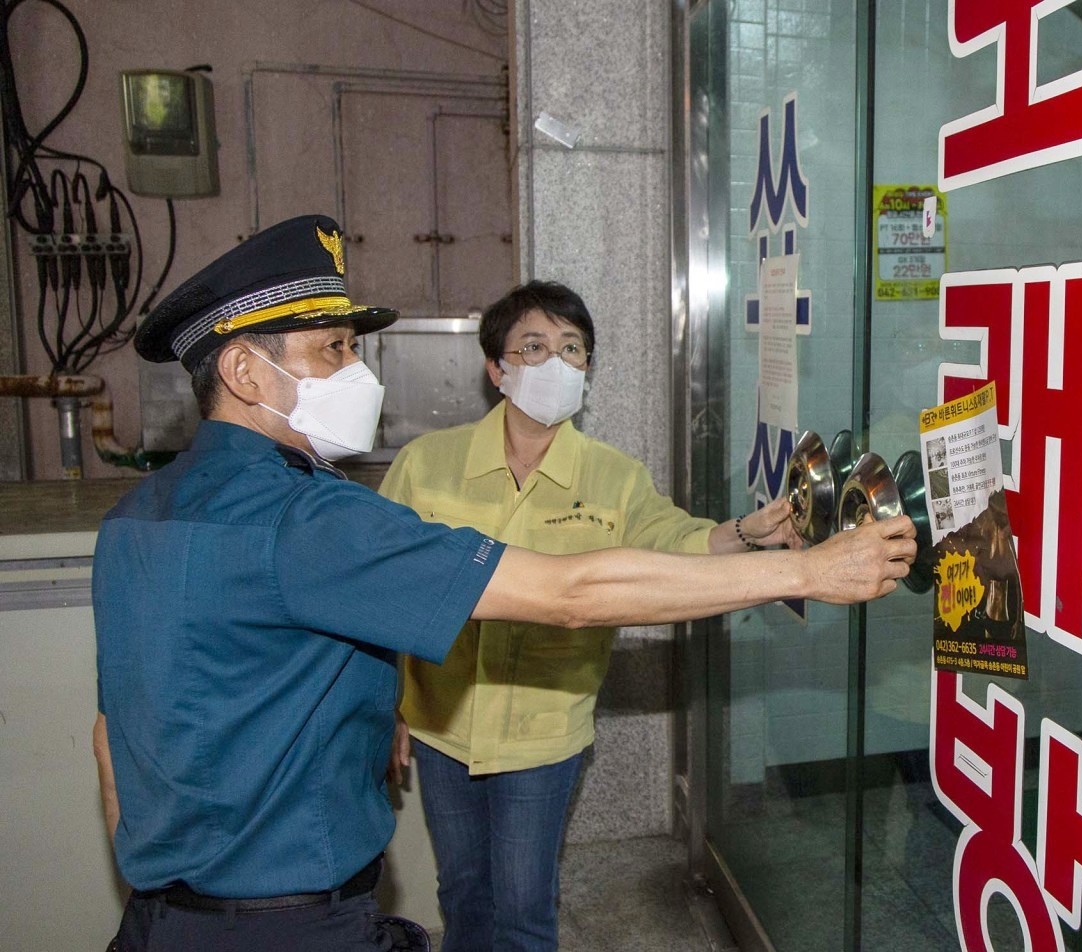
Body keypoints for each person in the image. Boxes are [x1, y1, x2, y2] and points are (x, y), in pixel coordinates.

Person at [92, 215, 916, 952]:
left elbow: (112, 729)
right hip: (293, 920)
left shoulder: (137, 515)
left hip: (161, 916)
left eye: (354, 346)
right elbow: (568, 595)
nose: (358, 369)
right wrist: (806, 571)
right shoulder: (315, 519)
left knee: (519, 907)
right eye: (334, 349)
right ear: (243, 369)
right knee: (469, 894)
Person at [378, 280, 801, 952]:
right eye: (535, 347)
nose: (556, 363)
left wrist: (744, 533)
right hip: (442, 723)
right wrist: (391, 707)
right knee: (462, 893)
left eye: (573, 350)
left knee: (522, 906)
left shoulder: (614, 476)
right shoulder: (427, 464)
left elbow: (674, 538)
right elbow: (385, 595)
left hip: (541, 732)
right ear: (498, 369)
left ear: (588, 369)